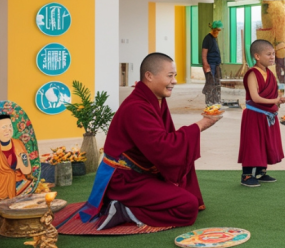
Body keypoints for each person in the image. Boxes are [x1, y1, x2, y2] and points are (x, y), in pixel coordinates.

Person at [79, 53, 219, 229]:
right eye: (170, 76)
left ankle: (133, 205)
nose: (174, 81)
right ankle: (124, 209)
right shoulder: (135, 107)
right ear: (149, 76)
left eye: (174, 75)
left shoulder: (155, 100)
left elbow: (167, 143)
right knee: (187, 207)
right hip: (125, 180)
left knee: (185, 158)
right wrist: (201, 124)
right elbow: (162, 147)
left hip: (143, 171)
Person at [238, 40, 285, 187]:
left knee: (266, 143)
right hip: (254, 115)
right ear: (257, 56)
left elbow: (271, 98)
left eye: (273, 54)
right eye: (268, 54)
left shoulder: (270, 74)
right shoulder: (252, 74)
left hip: (267, 115)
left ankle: (260, 173)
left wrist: (278, 103)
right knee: (253, 144)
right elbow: (255, 98)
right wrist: (276, 100)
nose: (272, 57)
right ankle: (246, 176)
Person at [0, 114, 32, 199]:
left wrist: (21, 163)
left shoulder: (18, 143)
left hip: (17, 181)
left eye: (10, 126)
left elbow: (27, 170)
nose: (8, 130)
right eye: (4, 127)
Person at [202, 20, 224, 106]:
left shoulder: (214, 38)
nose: (218, 32)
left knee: (216, 83)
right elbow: (204, 53)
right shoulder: (207, 38)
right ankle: (210, 102)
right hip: (210, 64)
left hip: (216, 64)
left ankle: (216, 101)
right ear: (214, 29)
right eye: (217, 30)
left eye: (219, 31)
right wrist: (205, 64)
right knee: (210, 83)